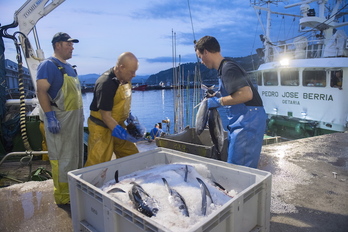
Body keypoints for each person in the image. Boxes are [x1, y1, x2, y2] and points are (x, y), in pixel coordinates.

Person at [194, 36, 267, 168]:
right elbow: (234, 92)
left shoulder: (228, 68)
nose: (201, 61)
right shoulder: (224, 68)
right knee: (236, 164)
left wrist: (219, 101)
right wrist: (216, 95)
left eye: (200, 57)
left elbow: (246, 94)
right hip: (242, 121)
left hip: (248, 121)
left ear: (206, 51)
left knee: (239, 167)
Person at [36, 32, 84, 205]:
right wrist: (50, 117)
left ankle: (73, 190)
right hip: (61, 121)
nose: (72, 47)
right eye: (68, 44)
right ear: (57, 45)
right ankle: (63, 197)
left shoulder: (69, 67)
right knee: (61, 159)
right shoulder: (48, 65)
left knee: (75, 157)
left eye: (72, 45)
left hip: (75, 122)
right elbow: (41, 91)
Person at [85, 52, 143, 167]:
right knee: (98, 164)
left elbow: (122, 102)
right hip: (101, 128)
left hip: (118, 124)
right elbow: (105, 116)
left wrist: (129, 117)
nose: (134, 75)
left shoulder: (125, 78)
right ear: (121, 67)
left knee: (131, 156)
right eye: (132, 71)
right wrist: (122, 134)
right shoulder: (106, 83)